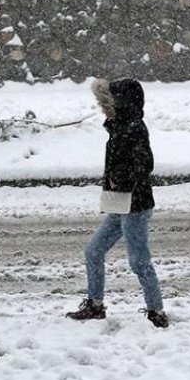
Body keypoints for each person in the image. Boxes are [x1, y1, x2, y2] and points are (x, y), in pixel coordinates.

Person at [66, 78, 168, 328]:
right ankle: (95, 305)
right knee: (93, 251)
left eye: (109, 101)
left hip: (136, 204)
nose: (104, 107)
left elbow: (145, 165)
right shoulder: (120, 125)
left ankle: (156, 312)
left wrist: (119, 179)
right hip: (119, 202)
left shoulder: (134, 127)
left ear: (122, 102)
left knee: (139, 261)